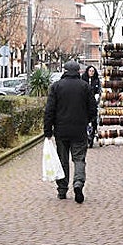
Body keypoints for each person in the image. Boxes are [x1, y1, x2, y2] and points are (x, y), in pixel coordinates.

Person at [43, 60, 97, 203]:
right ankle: (78, 183)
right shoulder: (85, 86)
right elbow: (93, 109)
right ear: (78, 71)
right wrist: (86, 120)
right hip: (79, 130)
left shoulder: (56, 86)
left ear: (65, 71)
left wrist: (48, 130)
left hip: (61, 130)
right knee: (79, 159)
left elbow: (49, 110)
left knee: (63, 160)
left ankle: (62, 190)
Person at [83, 64, 102, 147]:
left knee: (94, 121)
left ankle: (92, 136)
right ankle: (85, 137)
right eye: (90, 71)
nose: (91, 72)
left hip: (94, 103)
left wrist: (97, 96)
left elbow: (99, 90)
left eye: (93, 71)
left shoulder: (97, 80)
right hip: (85, 103)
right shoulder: (83, 79)